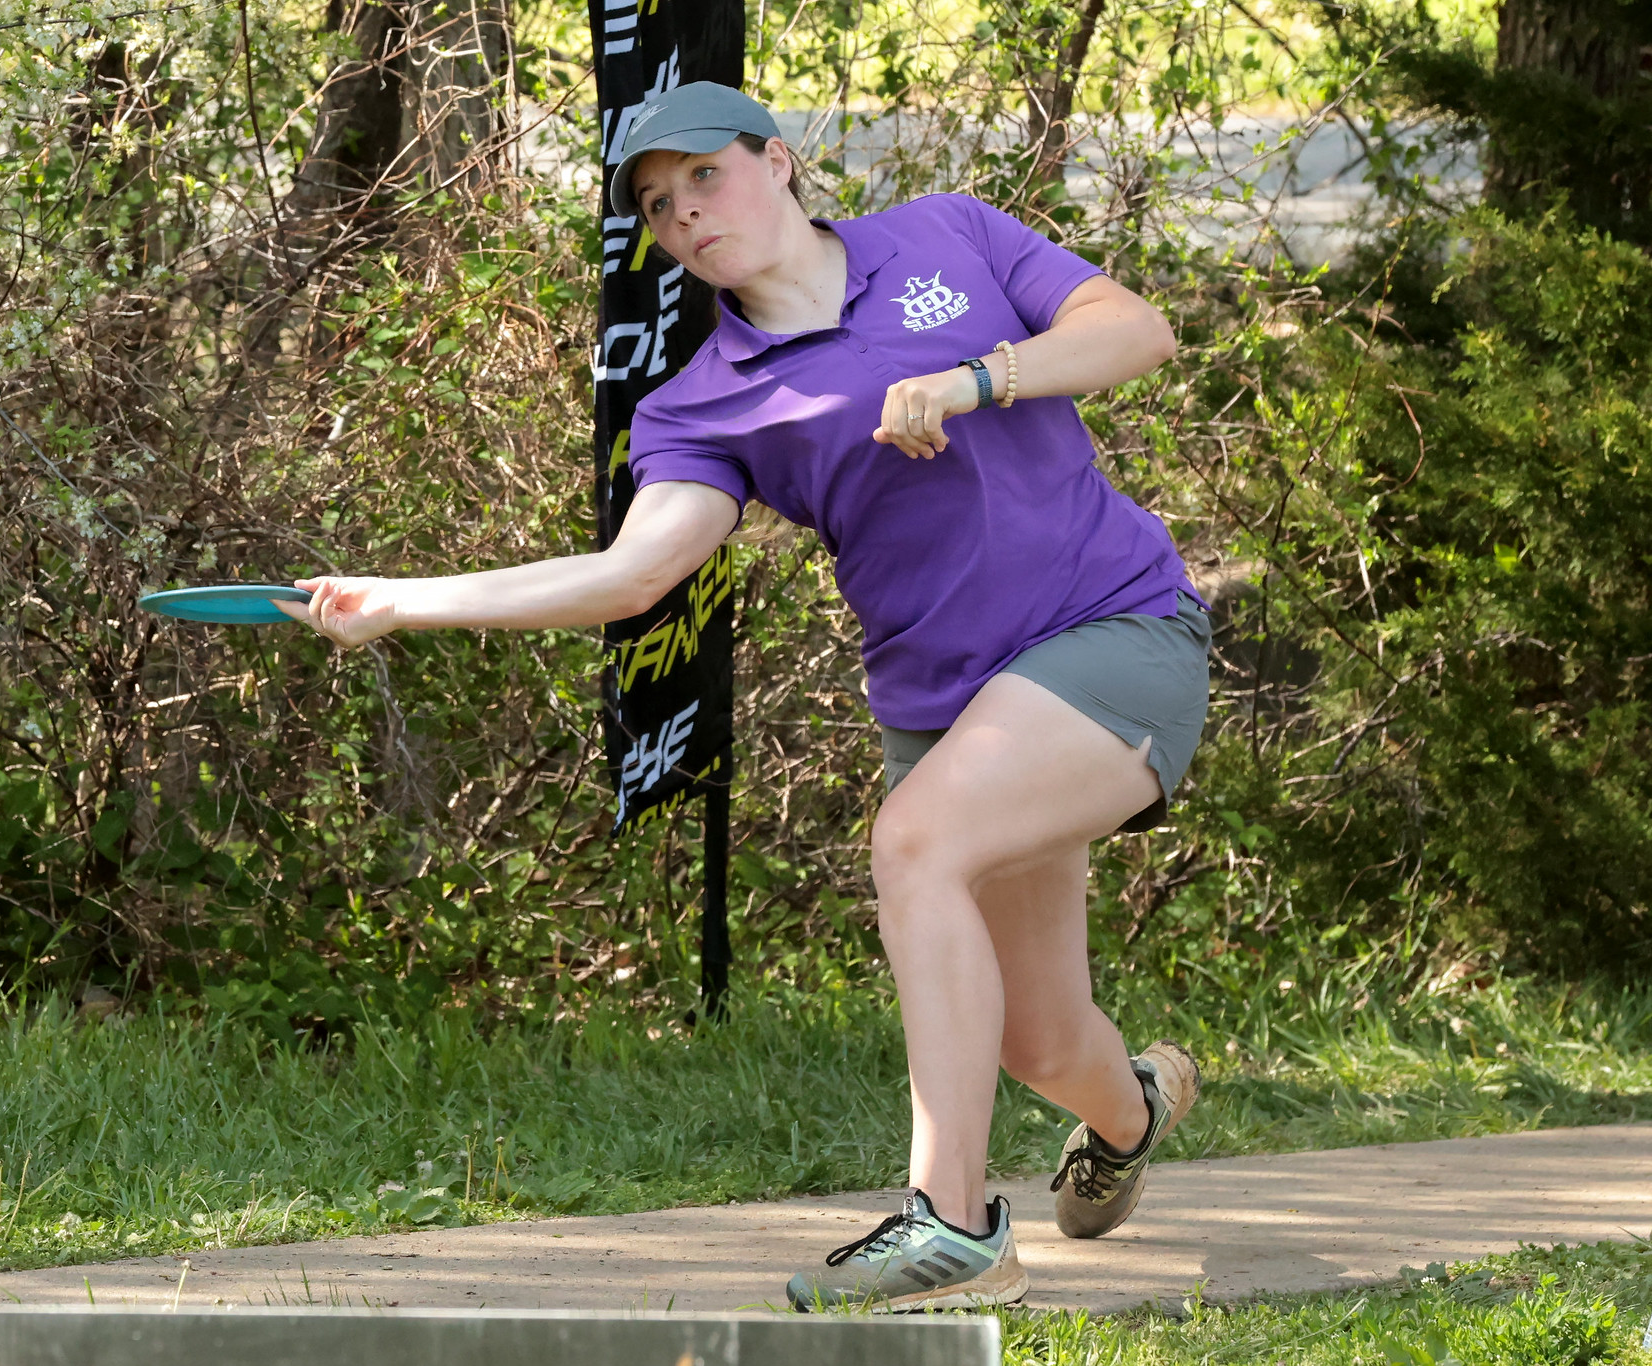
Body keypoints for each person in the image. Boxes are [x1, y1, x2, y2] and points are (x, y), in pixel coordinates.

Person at [277, 82, 1209, 1313]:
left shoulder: (948, 234)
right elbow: (629, 573)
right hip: (944, 706)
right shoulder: (704, 401)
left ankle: (953, 1223)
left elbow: (1133, 330)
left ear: (776, 162)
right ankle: (1137, 1106)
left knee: (915, 841)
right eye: (658, 208)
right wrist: (404, 598)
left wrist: (980, 380)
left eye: (704, 177)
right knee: (1034, 1041)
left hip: (1113, 629)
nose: (686, 214)